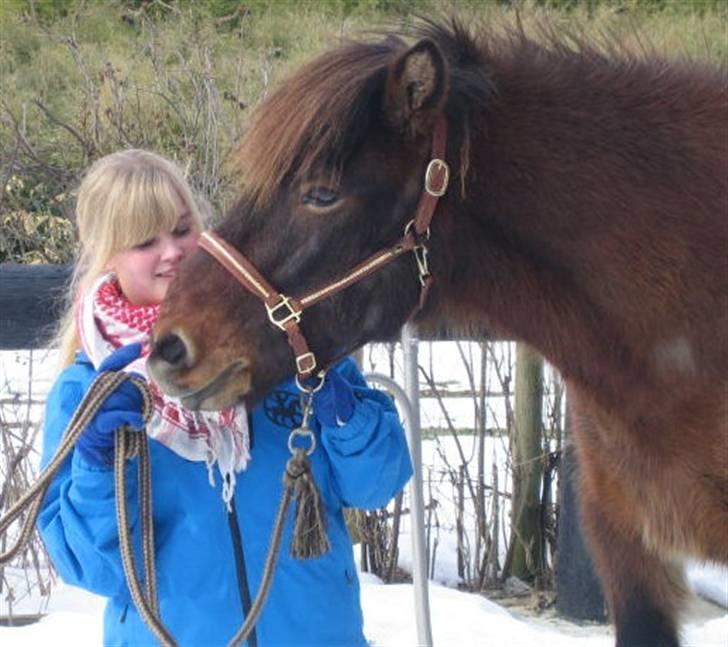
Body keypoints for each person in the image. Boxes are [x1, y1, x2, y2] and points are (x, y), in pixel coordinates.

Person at [38, 149, 413, 646]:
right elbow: (91, 568)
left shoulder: (286, 344)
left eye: (180, 229)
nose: (171, 251)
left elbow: (376, 485)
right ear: (107, 252)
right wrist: (97, 464)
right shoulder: (87, 392)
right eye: (144, 241)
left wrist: (345, 411)